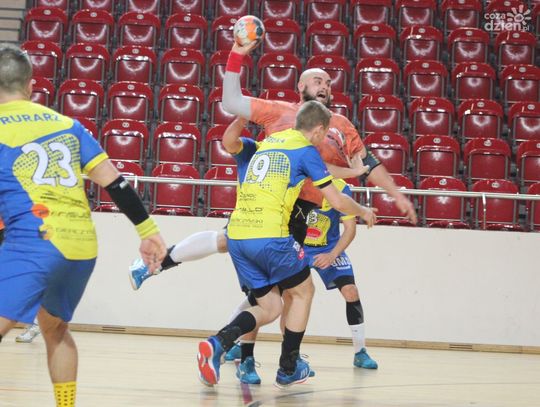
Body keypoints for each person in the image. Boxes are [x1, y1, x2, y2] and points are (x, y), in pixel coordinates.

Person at [129, 38, 417, 289]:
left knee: (282, 291)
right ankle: (156, 264)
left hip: (306, 210)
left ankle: (241, 334)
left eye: (329, 83)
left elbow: (369, 163)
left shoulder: (341, 124)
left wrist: (397, 195)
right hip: (272, 200)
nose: (325, 86)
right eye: (318, 80)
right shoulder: (278, 111)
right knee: (231, 245)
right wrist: (236, 54)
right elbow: (231, 101)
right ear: (301, 85)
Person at [0, 44, 167, 407]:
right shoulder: (68, 125)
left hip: (36, 239)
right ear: (30, 85)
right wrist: (147, 232)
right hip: (81, 245)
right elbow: (116, 183)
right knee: (55, 329)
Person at [196, 101, 378, 388]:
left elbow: (230, 143)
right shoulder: (306, 150)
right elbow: (337, 200)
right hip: (269, 235)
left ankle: (217, 344)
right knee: (303, 292)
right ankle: (288, 368)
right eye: (325, 134)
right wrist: (363, 210)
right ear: (319, 130)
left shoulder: (270, 141)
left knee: (269, 306)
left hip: (237, 235)